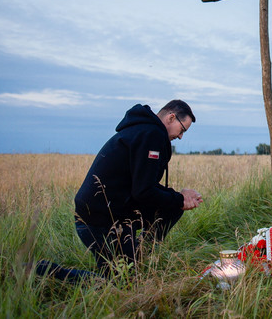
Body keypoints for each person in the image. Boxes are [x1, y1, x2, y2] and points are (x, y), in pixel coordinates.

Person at [73, 99, 202, 275]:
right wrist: (180, 199)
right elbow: (143, 192)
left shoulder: (143, 130)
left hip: (113, 214)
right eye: (182, 130)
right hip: (99, 220)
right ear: (171, 118)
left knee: (173, 206)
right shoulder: (152, 134)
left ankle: (138, 255)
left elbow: (143, 185)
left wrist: (179, 196)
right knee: (117, 282)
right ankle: (40, 270)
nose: (180, 137)